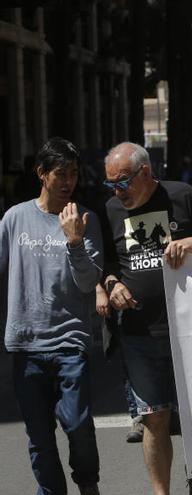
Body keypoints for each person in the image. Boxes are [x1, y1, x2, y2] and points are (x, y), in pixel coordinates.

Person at [102, 142, 192, 495]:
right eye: (110, 184)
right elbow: (108, 265)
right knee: (154, 419)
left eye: (123, 182)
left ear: (145, 172)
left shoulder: (182, 196)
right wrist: (111, 285)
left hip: (188, 330)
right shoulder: (112, 209)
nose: (117, 191)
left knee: (191, 414)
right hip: (139, 333)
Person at [1, 138, 103, 495]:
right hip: (26, 345)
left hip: (70, 343)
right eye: (61, 173)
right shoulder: (15, 218)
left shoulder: (84, 219)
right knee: (40, 440)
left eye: (73, 174)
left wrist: (75, 242)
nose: (68, 181)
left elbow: (89, 282)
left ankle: (87, 483)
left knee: (78, 425)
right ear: (41, 174)